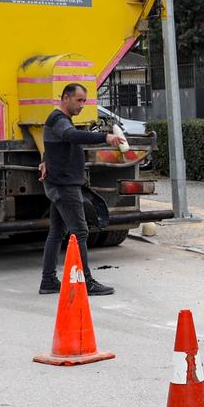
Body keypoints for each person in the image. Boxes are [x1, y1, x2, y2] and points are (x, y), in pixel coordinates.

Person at [38, 83, 124, 296]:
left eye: (84, 101)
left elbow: (52, 144)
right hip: (65, 187)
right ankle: (86, 282)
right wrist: (105, 137)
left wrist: (45, 160)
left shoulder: (59, 120)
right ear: (65, 98)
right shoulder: (59, 120)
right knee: (81, 232)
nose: (82, 105)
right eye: (79, 100)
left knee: (57, 232)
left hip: (60, 184)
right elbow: (70, 136)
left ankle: (48, 281)